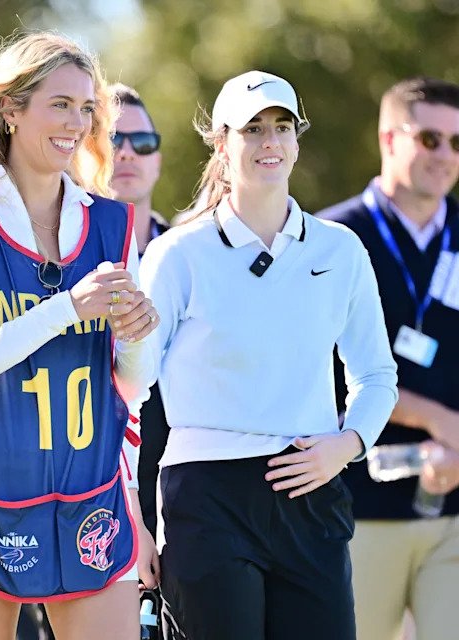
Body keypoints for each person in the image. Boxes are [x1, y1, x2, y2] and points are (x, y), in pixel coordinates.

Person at [0, 32, 160, 640]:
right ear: (11, 110)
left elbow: (132, 380)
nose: (76, 122)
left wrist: (140, 333)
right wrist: (65, 308)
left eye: (86, 108)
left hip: (91, 491)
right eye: (59, 104)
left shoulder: (110, 221)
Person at [135, 70, 398, 640]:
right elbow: (127, 393)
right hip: (206, 499)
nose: (269, 142)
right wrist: (134, 520)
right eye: (252, 129)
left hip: (311, 488)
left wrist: (349, 445)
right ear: (222, 143)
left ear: (298, 141)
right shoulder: (177, 254)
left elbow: (377, 374)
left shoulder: (340, 249)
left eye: (282, 127)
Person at [317, 76, 459, 640]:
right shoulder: (330, 238)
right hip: (358, 507)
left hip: (453, 511)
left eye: (457, 142)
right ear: (388, 138)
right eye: (429, 138)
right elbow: (318, 364)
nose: (445, 155)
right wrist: (435, 418)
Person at [108, 82, 169, 536]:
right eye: (113, 139)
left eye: (142, 143)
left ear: (158, 160)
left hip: (178, 485)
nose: (127, 153)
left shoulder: (194, 254)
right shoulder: (59, 254)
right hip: (94, 476)